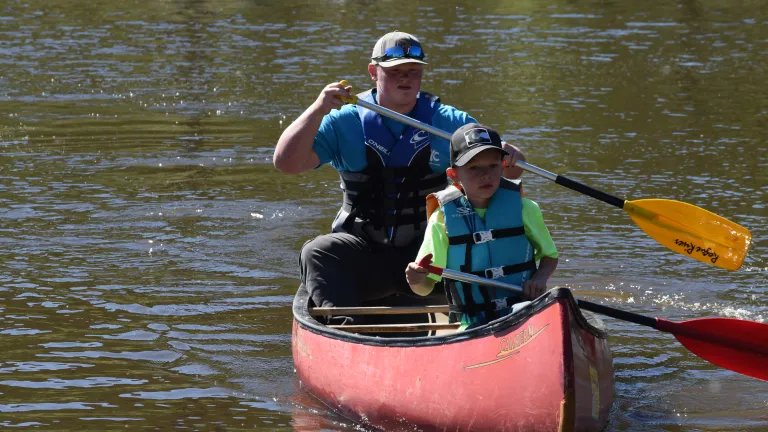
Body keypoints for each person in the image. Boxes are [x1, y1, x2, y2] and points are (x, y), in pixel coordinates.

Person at [273, 31, 527, 322]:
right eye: (395, 72)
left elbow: (508, 169)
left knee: (482, 243)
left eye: (413, 72)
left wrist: (511, 155)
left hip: (429, 254)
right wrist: (318, 108)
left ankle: (491, 320)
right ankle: (345, 330)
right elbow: (286, 163)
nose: (405, 79)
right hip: (365, 252)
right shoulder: (345, 120)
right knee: (317, 252)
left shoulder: (447, 122)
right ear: (373, 72)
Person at [405, 123, 558, 329]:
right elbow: (424, 288)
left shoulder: (525, 208)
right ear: (453, 174)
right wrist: (415, 280)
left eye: (493, 166)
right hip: (471, 323)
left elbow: (550, 257)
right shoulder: (442, 218)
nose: (485, 175)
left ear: (503, 166)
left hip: (522, 311)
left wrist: (540, 278)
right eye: (474, 167)